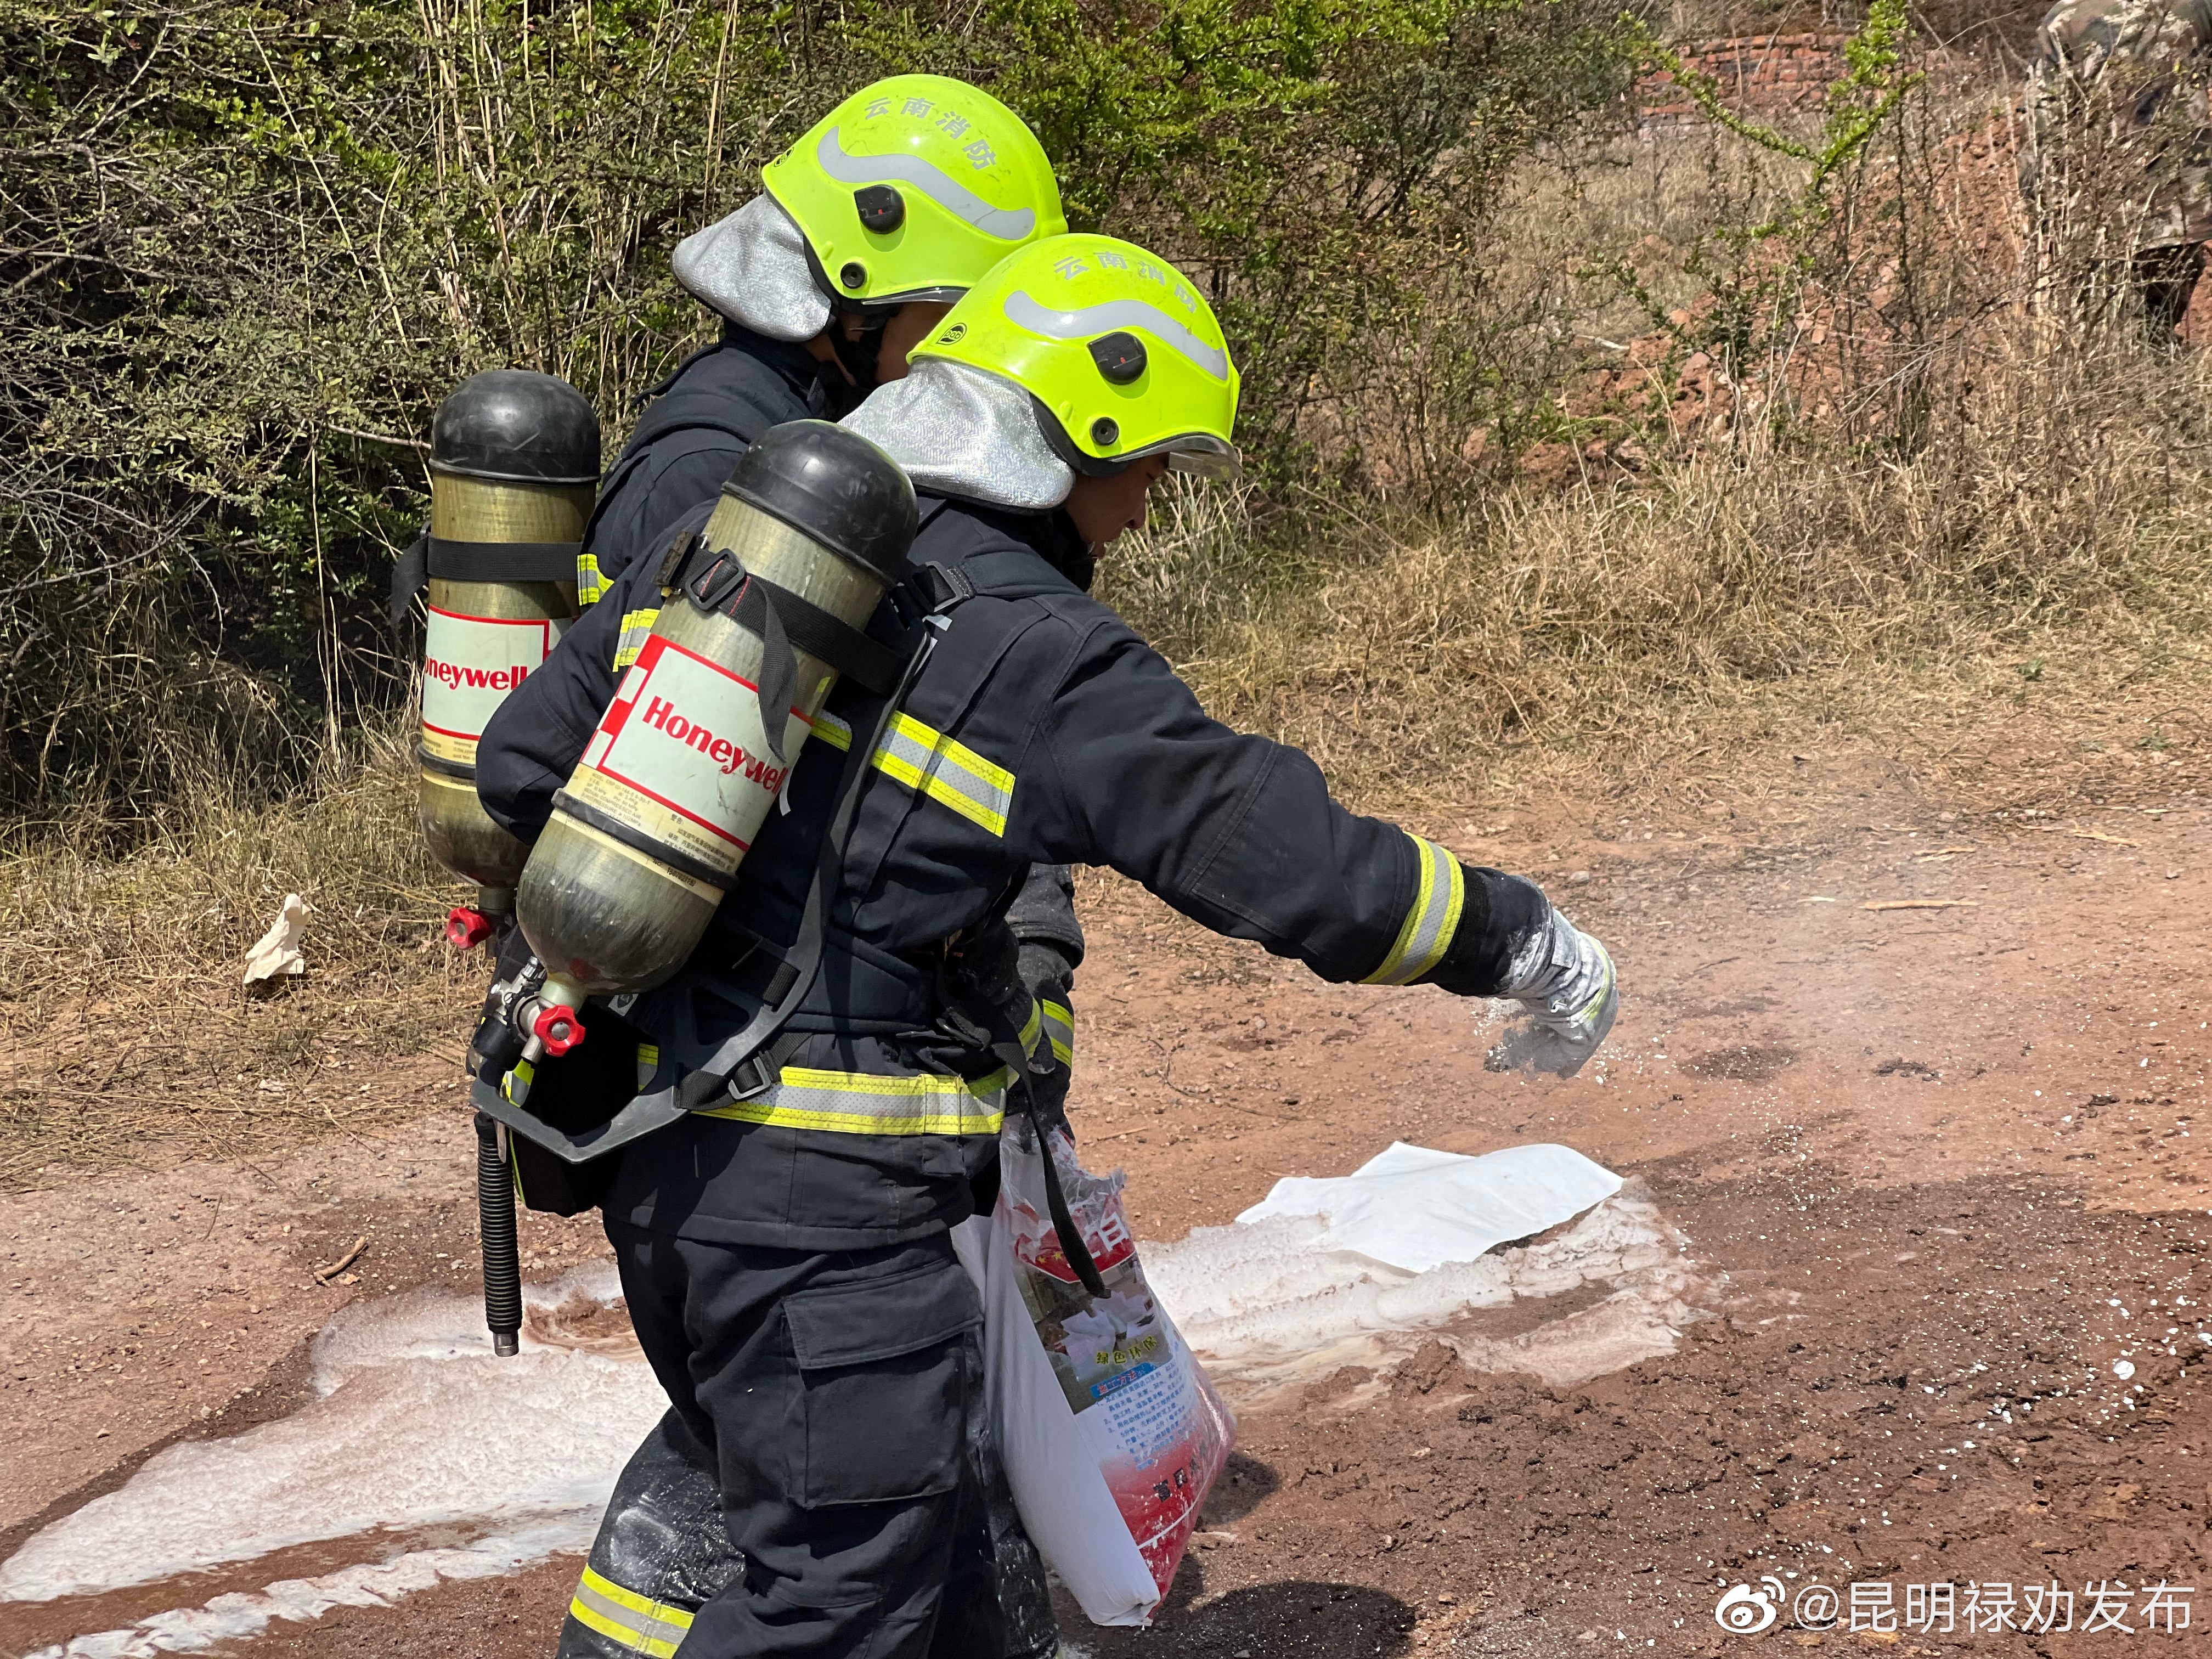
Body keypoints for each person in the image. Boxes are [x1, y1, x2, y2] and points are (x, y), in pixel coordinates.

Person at [475, 232, 1619, 1657]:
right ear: (1081, 433)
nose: (1147, 509)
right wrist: (1524, 941)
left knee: (938, 1542)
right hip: (827, 1219)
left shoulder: (721, 555)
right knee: (836, 1598)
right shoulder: (1038, 648)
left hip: (654, 1171)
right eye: (1152, 466)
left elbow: (518, 763)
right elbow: (1296, 866)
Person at [515, 72, 1073, 1659]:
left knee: (808, 1454)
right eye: (957, 316)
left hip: (736, 1068)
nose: (975, 358)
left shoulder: (770, 436)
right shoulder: (735, 476)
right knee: (818, 1470)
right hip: (745, 1088)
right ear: (862, 295)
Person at [2024, 0, 2212, 336]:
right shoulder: (2196, 6)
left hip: (2100, 205)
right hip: (2181, 201)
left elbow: (2044, 125)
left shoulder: (2065, 17)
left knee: (2105, 326)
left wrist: (2046, 208)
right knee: (2157, 320)